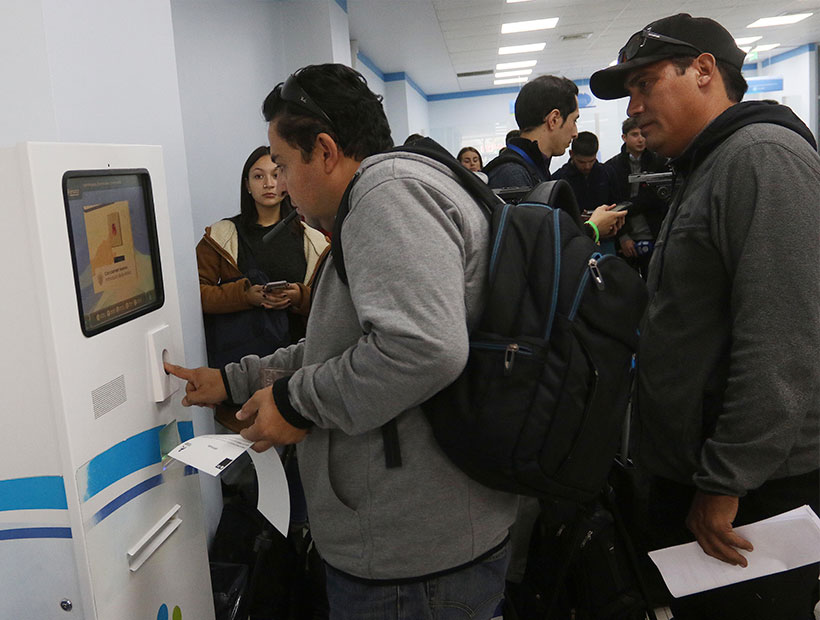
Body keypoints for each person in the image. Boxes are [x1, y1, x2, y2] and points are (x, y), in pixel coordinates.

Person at [167, 64, 518, 620]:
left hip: (415, 560)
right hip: (411, 542)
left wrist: (294, 404)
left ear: (325, 151)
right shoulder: (389, 194)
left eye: (282, 164)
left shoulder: (387, 196)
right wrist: (235, 380)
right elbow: (340, 344)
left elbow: (422, 348)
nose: (278, 182)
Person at [590, 13, 820, 620]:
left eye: (645, 84)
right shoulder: (708, 165)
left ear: (703, 71)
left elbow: (783, 342)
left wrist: (725, 481)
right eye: (629, 92)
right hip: (704, 471)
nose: (634, 106)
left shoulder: (762, 158)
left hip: (755, 493)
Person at [196, 145, 329, 368]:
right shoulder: (220, 236)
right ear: (247, 185)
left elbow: (332, 300)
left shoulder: (314, 240)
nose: (269, 184)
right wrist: (245, 296)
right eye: (259, 176)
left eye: (277, 175)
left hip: (301, 362)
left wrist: (299, 296)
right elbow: (195, 295)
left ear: (287, 180)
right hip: (238, 360)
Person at [483, 76, 624, 241]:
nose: (575, 133)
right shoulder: (513, 174)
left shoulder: (532, 168)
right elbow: (534, 250)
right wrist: (592, 229)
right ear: (554, 119)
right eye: (574, 120)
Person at [604, 118, 669, 277]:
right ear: (624, 138)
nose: (640, 139)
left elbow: (656, 199)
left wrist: (626, 207)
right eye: (634, 134)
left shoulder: (660, 162)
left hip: (655, 234)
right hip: (624, 236)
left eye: (643, 134)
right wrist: (623, 237)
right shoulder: (611, 167)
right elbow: (612, 203)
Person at [551, 131, 620, 253]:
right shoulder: (559, 179)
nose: (587, 166)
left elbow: (617, 201)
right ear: (571, 154)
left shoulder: (608, 173)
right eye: (582, 162)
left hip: (606, 238)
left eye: (592, 161)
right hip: (575, 240)